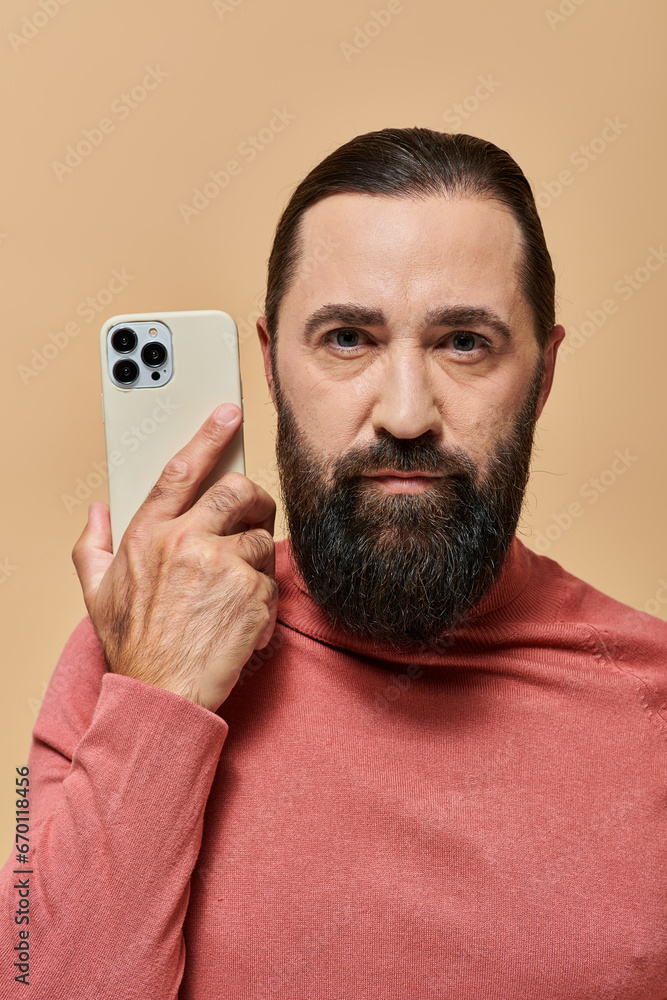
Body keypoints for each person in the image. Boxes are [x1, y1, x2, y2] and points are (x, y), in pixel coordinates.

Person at [2, 127, 666, 999]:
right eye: (348, 338)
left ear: (539, 378)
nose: (405, 414)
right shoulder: (134, 649)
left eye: (464, 342)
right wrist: (159, 697)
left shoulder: (651, 696)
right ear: (271, 367)